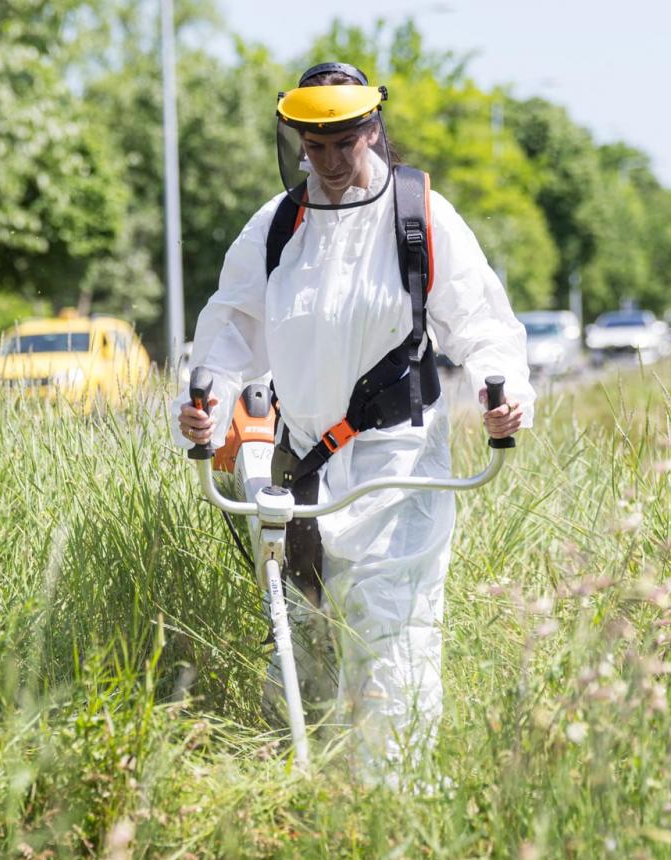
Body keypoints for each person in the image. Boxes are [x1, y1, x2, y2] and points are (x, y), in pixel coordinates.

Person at [174, 61, 533, 783]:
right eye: (317, 146)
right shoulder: (278, 227)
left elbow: (485, 325)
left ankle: (393, 815)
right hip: (299, 468)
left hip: (398, 466)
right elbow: (230, 331)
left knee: (391, 638)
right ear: (297, 142)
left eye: (346, 141)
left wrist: (505, 395)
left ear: (373, 128)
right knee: (306, 647)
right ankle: (317, 813)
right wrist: (202, 406)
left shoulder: (418, 215)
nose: (334, 161)